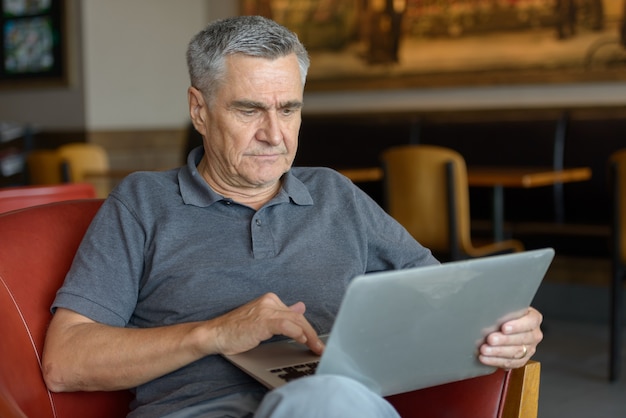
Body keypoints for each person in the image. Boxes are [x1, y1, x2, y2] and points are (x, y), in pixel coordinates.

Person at [41, 15, 543, 418]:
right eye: (249, 110)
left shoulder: (333, 194)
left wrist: (507, 328)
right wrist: (213, 334)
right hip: (204, 409)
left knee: (325, 399)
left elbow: (449, 295)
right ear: (199, 110)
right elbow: (65, 362)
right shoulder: (142, 204)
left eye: (288, 110)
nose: (274, 134)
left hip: (339, 402)